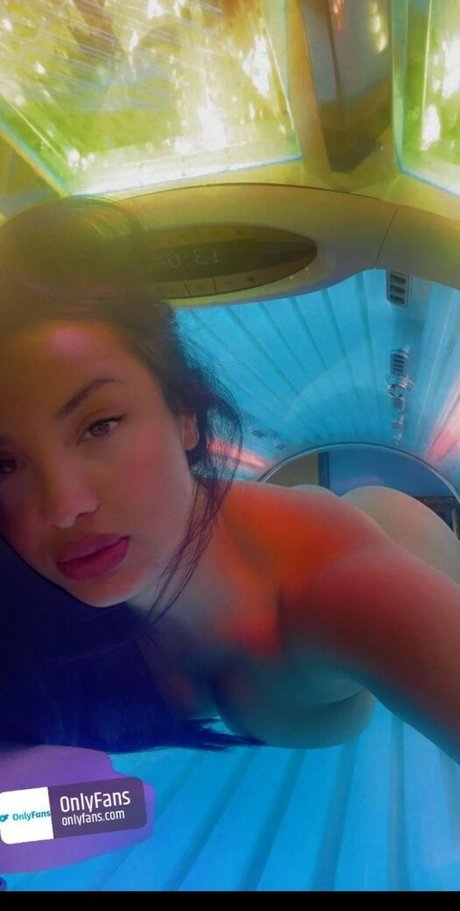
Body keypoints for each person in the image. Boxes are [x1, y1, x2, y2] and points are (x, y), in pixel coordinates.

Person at [0, 197, 459, 762]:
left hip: (395, 525)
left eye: (100, 426)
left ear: (186, 414)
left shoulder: (344, 590)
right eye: (4, 464)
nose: (63, 505)